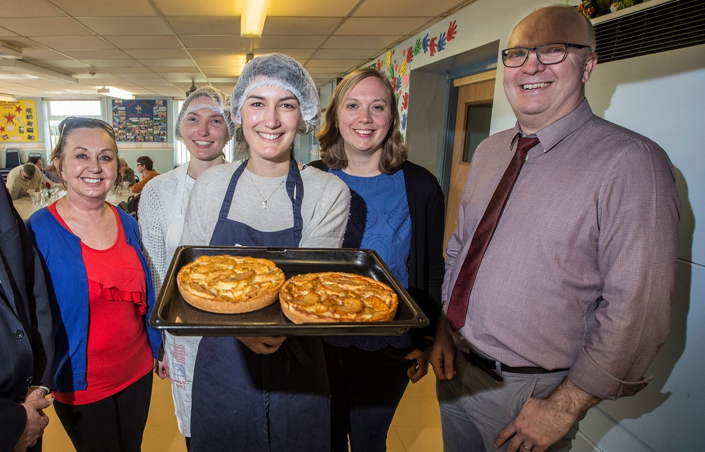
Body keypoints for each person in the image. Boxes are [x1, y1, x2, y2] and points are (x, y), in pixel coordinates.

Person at [431, 6, 681, 452]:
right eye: (518, 53)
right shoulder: (490, 152)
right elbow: (460, 250)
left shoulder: (631, 162)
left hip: (528, 394)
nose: (531, 65)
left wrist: (565, 406)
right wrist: (444, 332)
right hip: (456, 372)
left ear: (588, 65)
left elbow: (637, 310)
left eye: (553, 51)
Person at [180, 53, 350, 452]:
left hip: (300, 364)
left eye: (286, 105)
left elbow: (314, 291)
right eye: (257, 103)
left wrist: (263, 324)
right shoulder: (210, 187)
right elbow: (187, 279)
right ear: (239, 112)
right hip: (222, 362)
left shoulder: (329, 193)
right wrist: (236, 325)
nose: (271, 120)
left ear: (302, 115)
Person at [311, 68, 445, 452]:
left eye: (377, 107)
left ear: (391, 118)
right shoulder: (311, 179)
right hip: (320, 344)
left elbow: (431, 268)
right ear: (336, 116)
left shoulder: (420, 186)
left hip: (390, 343)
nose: (364, 117)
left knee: (370, 439)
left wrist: (426, 337)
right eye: (353, 105)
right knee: (326, 438)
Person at [26, 117, 161, 452]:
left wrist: (159, 346)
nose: (95, 167)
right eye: (81, 156)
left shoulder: (128, 223)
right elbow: (24, 313)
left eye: (105, 156)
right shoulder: (37, 231)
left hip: (137, 371)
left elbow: (147, 294)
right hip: (80, 383)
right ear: (59, 164)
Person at [140, 86, 234, 450]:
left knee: (238, 420)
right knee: (197, 427)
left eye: (215, 121)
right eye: (193, 120)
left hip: (238, 327)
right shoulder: (157, 192)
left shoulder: (249, 183)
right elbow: (154, 268)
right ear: (181, 128)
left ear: (229, 130)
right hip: (182, 331)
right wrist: (158, 338)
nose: (204, 131)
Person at [0, 181, 54, 452]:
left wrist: (39, 379)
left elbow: (33, 286)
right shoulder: (42, 223)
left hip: (27, 398)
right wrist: (9, 424)